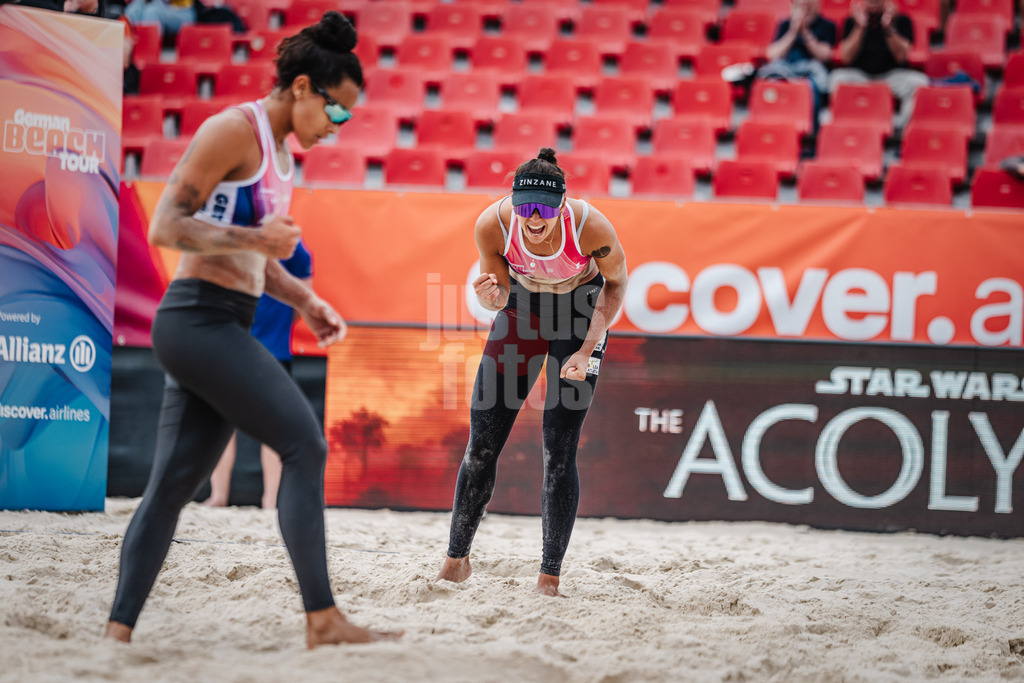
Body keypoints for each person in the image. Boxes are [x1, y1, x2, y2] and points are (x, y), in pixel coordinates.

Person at [104, 11, 400, 647]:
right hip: (195, 320)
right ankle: (322, 618)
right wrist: (256, 238)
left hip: (222, 318)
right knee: (305, 445)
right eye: (336, 112)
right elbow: (165, 226)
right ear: (300, 88)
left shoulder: (281, 154)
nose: (337, 128)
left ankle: (117, 630)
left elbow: (251, 260)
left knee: (171, 486)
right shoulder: (232, 130)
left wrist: (304, 300)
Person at [434, 148, 629, 598]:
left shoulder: (590, 226)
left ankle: (549, 576)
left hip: (582, 312)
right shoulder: (493, 224)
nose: (534, 218)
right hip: (523, 312)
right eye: (525, 207)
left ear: (562, 204)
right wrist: (490, 299)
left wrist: (586, 350)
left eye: (543, 209)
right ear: (513, 202)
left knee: (558, 452)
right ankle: (455, 560)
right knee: (481, 444)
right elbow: (500, 295)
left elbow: (617, 285)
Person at [205, 239, 315, 510]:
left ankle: (230, 497)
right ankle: (264, 500)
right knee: (265, 429)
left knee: (228, 424)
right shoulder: (289, 243)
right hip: (260, 346)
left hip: (246, 344)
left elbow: (303, 300)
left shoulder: (281, 242)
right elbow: (303, 301)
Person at [829, 0, 930, 132]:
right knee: (836, 78)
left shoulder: (902, 20)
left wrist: (889, 28)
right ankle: (845, 126)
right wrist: (860, 28)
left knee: (920, 82)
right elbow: (846, 58)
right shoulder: (851, 21)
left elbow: (901, 56)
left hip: (892, 77)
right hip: (861, 77)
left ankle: (900, 130)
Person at [757, 0, 836, 132]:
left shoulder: (827, 26)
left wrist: (805, 32)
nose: (804, 11)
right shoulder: (785, 25)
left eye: (808, 7)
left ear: (817, 5)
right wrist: (793, 31)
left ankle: (811, 134)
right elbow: (772, 54)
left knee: (812, 89)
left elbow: (825, 56)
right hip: (785, 71)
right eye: (800, 7)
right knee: (767, 85)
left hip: (811, 74)